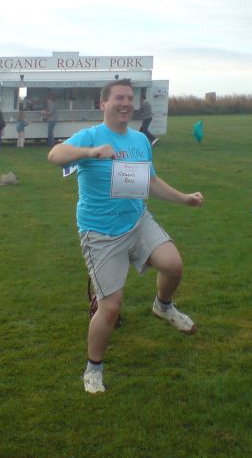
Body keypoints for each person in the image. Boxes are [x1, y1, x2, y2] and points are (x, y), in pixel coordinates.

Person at [48, 78, 204, 394]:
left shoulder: (140, 140)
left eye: (130, 98)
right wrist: (91, 152)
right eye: (118, 98)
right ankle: (94, 369)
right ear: (103, 104)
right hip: (101, 233)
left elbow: (150, 181)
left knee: (173, 265)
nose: (125, 103)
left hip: (137, 220)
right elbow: (55, 155)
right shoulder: (91, 136)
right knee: (111, 306)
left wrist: (184, 197)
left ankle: (163, 306)